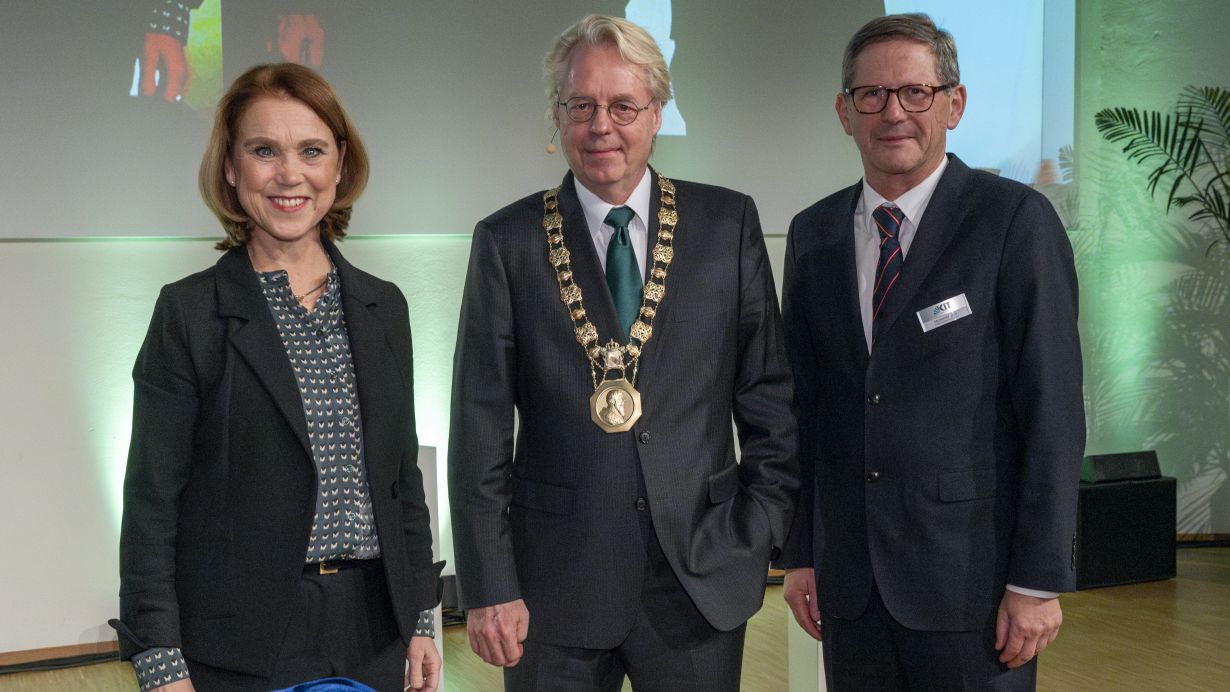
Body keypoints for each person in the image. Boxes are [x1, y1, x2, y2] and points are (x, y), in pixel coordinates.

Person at [448, 14, 797, 692]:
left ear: (657, 114)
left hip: (700, 579)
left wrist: (755, 533)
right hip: (553, 588)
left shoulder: (727, 226)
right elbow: (479, 426)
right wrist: (490, 585)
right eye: (581, 106)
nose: (601, 125)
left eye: (622, 106)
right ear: (558, 115)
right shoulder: (507, 241)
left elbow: (769, 399)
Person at [111, 63, 443, 692]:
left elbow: (403, 482)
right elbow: (151, 505)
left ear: (339, 165)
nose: (289, 174)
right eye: (264, 151)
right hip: (238, 646)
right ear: (231, 170)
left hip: (374, 635)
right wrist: (159, 660)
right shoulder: (189, 313)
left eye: (311, 151)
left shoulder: (384, 306)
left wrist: (422, 616)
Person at [780, 13, 1085, 690]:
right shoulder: (813, 234)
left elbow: (1053, 409)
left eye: (916, 92)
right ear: (844, 111)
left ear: (955, 103)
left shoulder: (1013, 222)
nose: (894, 112)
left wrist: (1037, 580)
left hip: (972, 588)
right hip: (851, 591)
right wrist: (800, 552)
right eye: (873, 95)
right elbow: (806, 407)